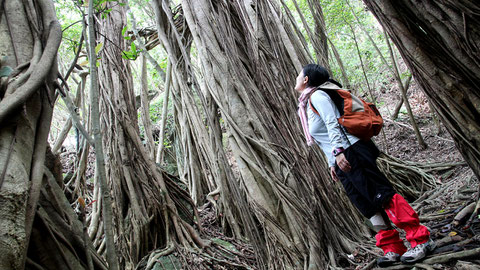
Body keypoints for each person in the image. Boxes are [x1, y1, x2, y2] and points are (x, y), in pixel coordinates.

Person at [295, 64, 435, 267]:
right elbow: (322, 137)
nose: (297, 77)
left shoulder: (317, 96)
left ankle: (421, 239)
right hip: (339, 157)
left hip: (351, 151)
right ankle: (392, 248)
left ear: (306, 79)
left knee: (382, 195)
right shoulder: (306, 102)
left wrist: (339, 152)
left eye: (299, 74)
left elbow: (333, 122)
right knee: (367, 205)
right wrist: (331, 163)